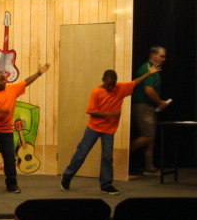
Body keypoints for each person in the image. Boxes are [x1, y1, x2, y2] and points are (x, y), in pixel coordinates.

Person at [61, 63, 161, 195]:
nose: (110, 87)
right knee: (81, 153)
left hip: (109, 130)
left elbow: (134, 83)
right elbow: (91, 111)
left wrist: (148, 74)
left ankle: (106, 184)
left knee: (107, 157)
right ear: (103, 80)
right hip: (93, 128)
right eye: (108, 84)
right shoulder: (97, 92)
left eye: (113, 84)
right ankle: (67, 176)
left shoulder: (120, 88)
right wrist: (109, 114)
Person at [0, 64, 50, 195]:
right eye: (1, 79)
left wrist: (39, 73)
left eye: (4, 78)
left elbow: (26, 82)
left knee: (10, 158)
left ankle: (12, 185)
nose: (5, 81)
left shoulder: (12, 90)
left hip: (7, 131)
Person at [130, 46, 169, 173]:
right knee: (148, 136)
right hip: (143, 106)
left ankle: (149, 166)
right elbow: (148, 90)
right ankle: (122, 156)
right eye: (161, 56)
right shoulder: (147, 68)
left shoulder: (155, 69)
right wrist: (160, 102)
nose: (164, 59)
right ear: (153, 55)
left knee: (151, 137)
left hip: (150, 107)